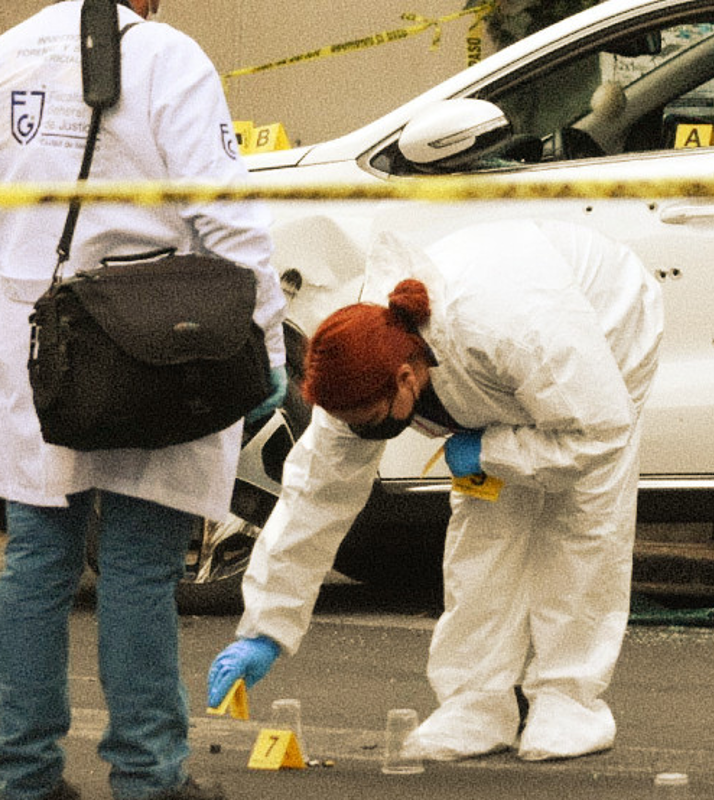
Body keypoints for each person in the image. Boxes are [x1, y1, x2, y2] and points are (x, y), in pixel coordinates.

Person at [208, 218, 663, 762]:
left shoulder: (513, 327)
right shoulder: (359, 365)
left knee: (581, 524)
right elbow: (314, 496)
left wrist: (495, 451)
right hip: (501, 363)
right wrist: (264, 628)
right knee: (484, 530)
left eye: (371, 421)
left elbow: (600, 432)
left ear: (405, 379)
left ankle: (570, 699)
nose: (361, 434)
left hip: (604, 328)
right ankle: (477, 702)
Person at [0, 1, 288, 799]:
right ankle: (147, 777)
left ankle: (20, 776)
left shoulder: (10, 54)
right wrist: (264, 344)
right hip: (157, 341)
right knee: (137, 568)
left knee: (35, 563)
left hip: (32, 341)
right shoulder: (166, 55)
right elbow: (226, 215)